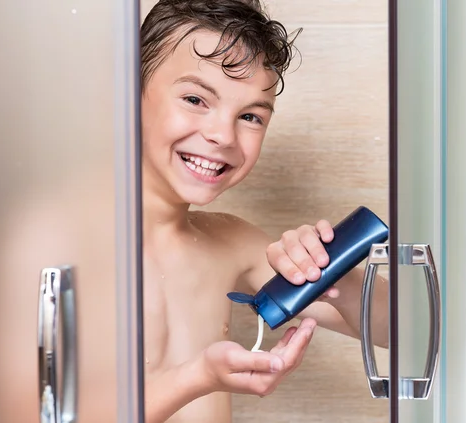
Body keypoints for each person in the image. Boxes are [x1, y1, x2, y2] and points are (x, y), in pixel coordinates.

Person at [140, 1, 389, 422]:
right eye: (195, 98)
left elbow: (409, 333)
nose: (222, 135)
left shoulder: (230, 242)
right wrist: (199, 377)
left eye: (250, 116)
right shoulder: (56, 242)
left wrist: (339, 278)